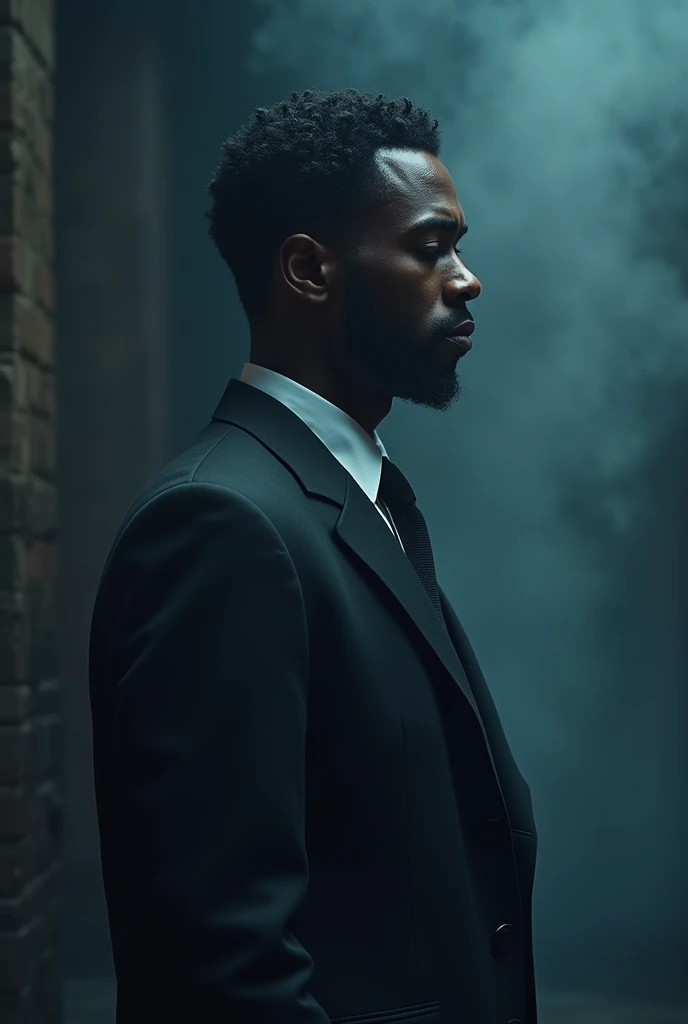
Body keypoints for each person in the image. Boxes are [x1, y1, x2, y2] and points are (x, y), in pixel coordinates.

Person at [89, 87, 538, 1024]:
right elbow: (219, 969)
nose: (466, 279)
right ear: (307, 269)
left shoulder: (345, 502)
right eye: (430, 246)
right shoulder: (221, 525)